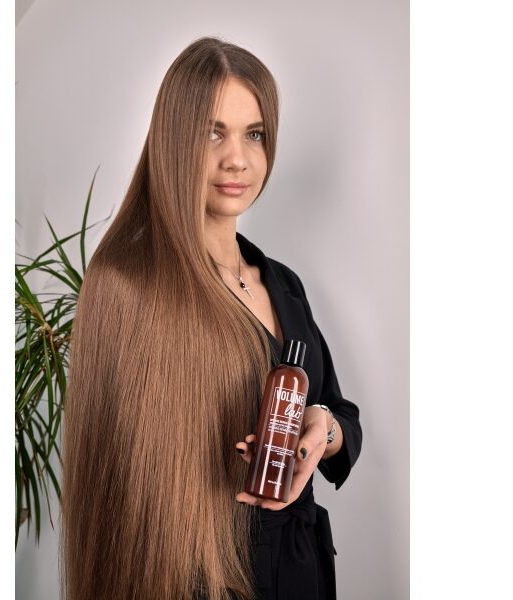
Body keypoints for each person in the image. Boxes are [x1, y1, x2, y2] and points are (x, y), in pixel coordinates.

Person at [61, 36, 362, 600]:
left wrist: (323, 430)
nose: (237, 159)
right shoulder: (128, 285)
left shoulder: (284, 284)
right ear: (174, 140)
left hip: (301, 572)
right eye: (212, 132)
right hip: (198, 581)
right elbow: (120, 501)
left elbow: (341, 413)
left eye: (255, 134)